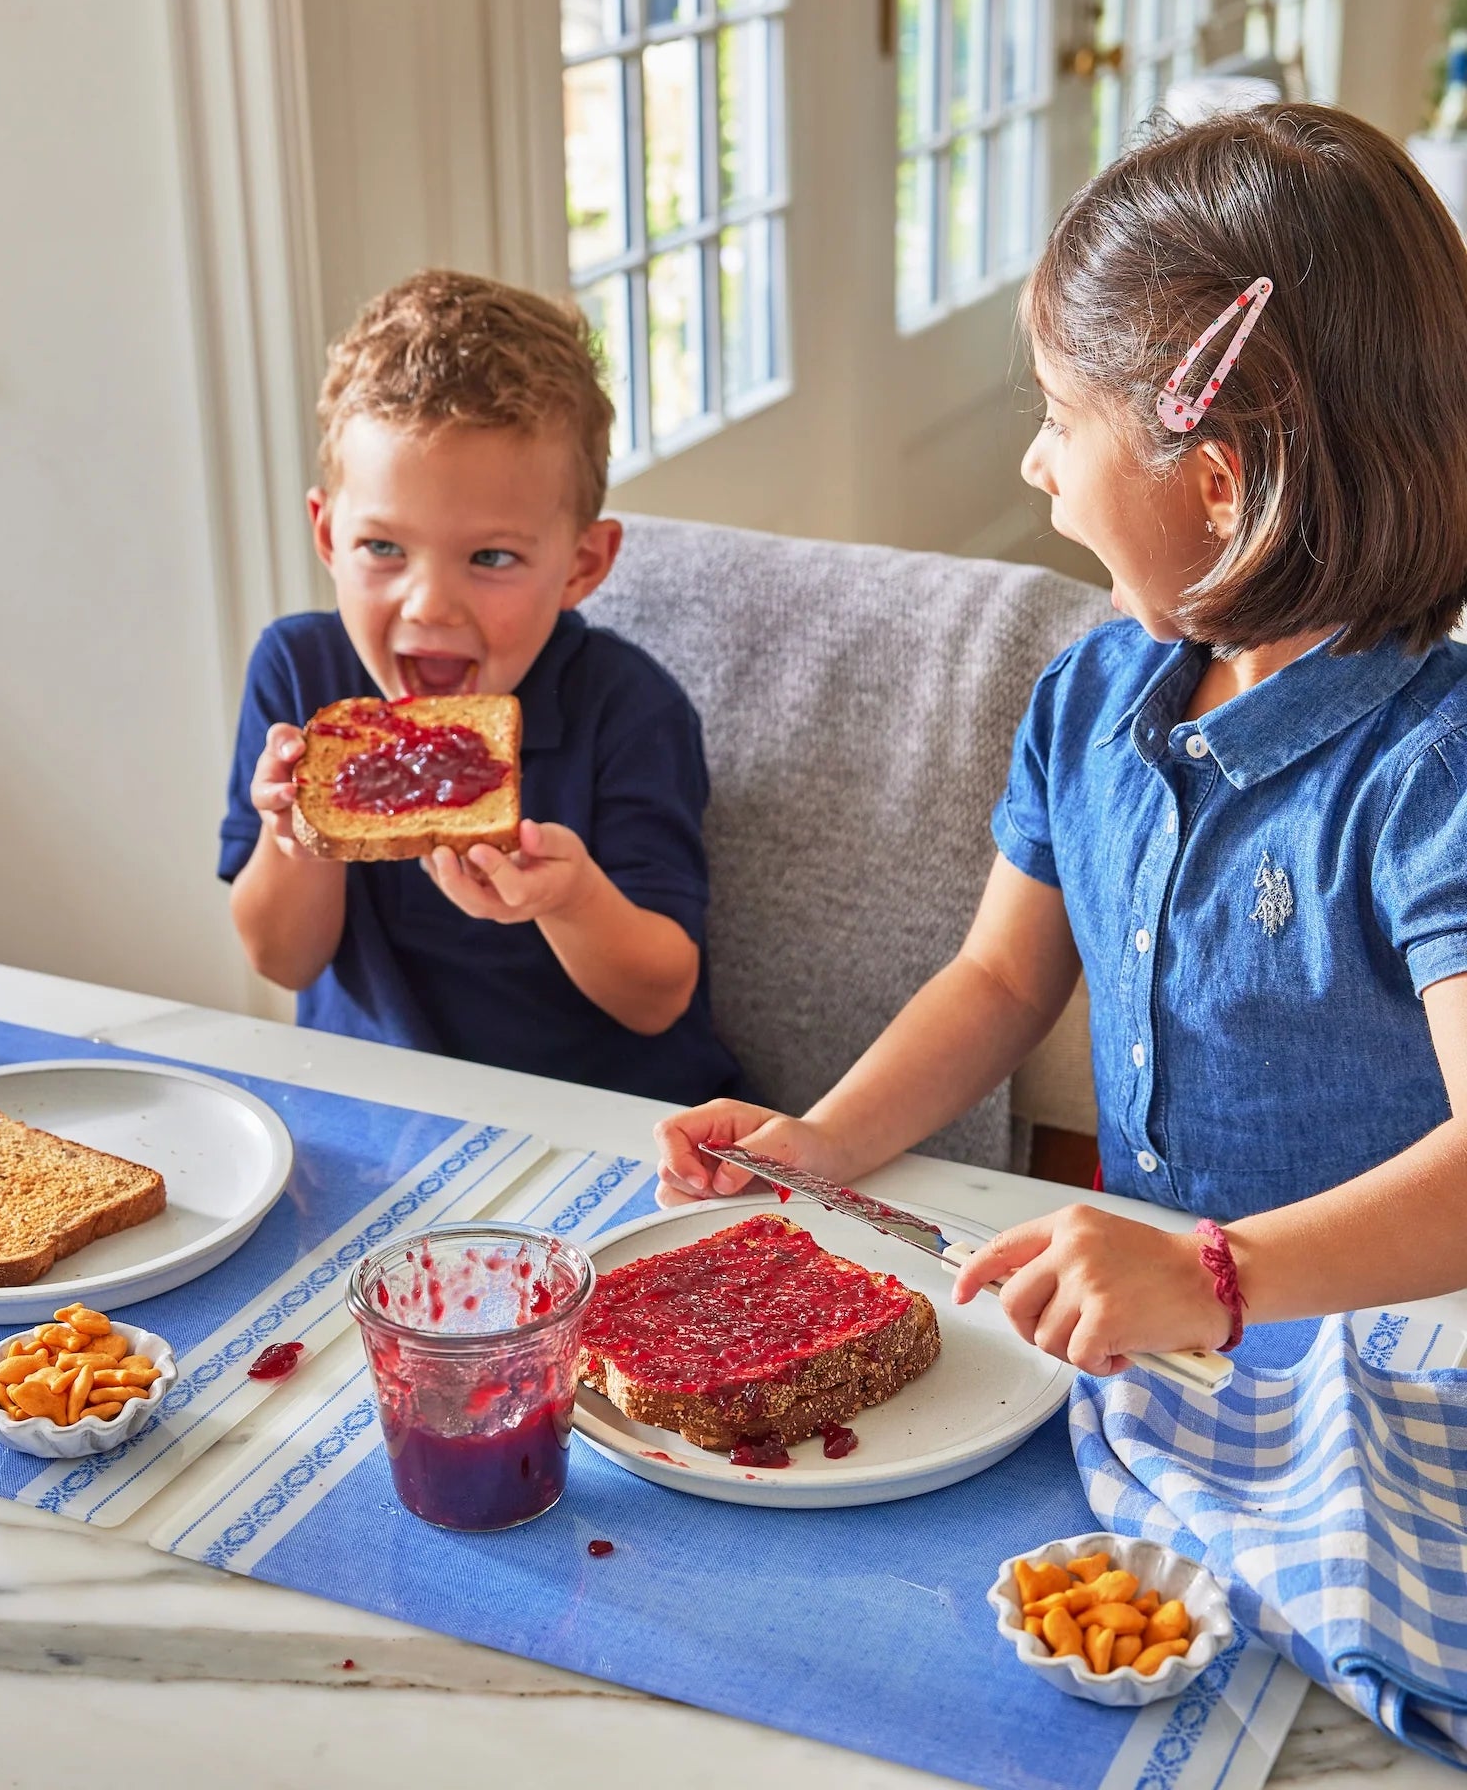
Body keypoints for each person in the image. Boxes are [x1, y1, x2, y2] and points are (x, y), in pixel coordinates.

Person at [655, 106, 1467, 1371]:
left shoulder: (1434, 774)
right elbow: (998, 982)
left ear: (1219, 478)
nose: (1035, 463)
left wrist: (1214, 1276)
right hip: (1145, 1333)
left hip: (1377, 1358)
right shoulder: (1088, 696)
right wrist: (821, 1139)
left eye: (1057, 415)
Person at [221, 270, 744, 1105]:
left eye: (491, 558)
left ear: (582, 565)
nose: (429, 604)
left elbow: (659, 999)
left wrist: (568, 898)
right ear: (327, 533)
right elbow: (281, 959)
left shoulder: (630, 707)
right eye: (383, 549)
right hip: (376, 1109)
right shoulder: (300, 676)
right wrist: (298, 838)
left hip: (599, 1121)